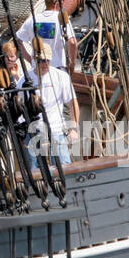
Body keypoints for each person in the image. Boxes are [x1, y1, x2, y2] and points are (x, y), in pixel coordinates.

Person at [26, 41, 80, 170]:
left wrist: (73, 129)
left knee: (65, 166)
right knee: (34, 170)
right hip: (34, 132)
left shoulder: (61, 77)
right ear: (34, 58)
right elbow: (19, 109)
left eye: (47, 61)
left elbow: (72, 103)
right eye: (41, 60)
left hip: (57, 131)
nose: (45, 64)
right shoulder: (25, 80)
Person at [16, 0, 79, 72]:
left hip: (37, 69)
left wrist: (30, 59)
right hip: (58, 69)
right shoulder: (62, 19)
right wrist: (72, 64)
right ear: (57, 3)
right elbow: (72, 42)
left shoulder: (32, 19)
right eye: (62, 1)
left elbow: (17, 41)